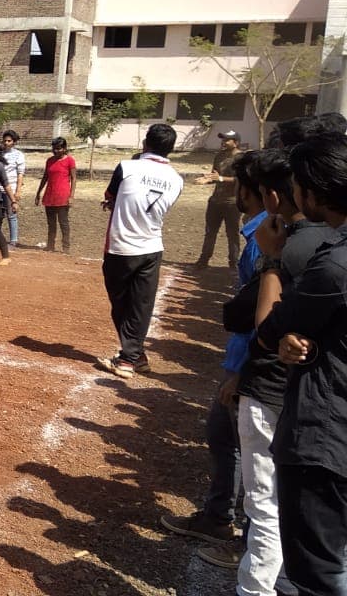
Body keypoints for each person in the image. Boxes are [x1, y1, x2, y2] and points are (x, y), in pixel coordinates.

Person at [164, 151, 268, 571]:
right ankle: (220, 517)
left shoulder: (267, 238)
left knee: (250, 448)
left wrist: (243, 371)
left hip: (252, 360)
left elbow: (270, 311)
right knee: (225, 434)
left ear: (252, 191)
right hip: (244, 355)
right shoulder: (259, 232)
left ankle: (246, 536)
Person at [253, 132, 347, 595]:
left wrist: (272, 262)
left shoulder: (333, 265)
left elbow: (269, 328)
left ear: (313, 190)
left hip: (326, 431)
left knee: (318, 574)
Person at [97, 123, 184, 378]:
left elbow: (111, 195)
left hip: (120, 246)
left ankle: (127, 359)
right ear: (172, 149)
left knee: (121, 304)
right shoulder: (178, 179)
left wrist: (115, 203)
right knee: (142, 304)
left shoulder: (127, 167)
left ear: (145, 144)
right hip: (152, 246)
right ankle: (136, 355)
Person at [193, 130, 244, 269]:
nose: (223, 142)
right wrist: (206, 179)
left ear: (236, 142)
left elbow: (241, 179)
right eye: (223, 139)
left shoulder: (241, 158)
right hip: (216, 201)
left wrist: (220, 178)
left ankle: (233, 263)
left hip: (232, 202)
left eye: (227, 140)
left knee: (232, 233)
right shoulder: (219, 156)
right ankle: (204, 260)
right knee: (210, 231)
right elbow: (215, 176)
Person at [35, 137, 77, 253]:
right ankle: (50, 245)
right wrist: (38, 193)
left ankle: (66, 247)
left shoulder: (70, 161)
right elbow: (45, 177)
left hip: (63, 195)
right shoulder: (49, 161)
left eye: (59, 148)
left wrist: (71, 196)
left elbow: (73, 179)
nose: (56, 151)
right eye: (54, 148)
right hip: (50, 195)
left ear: (64, 148)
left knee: (63, 222)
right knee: (51, 223)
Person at [2, 130, 26, 247]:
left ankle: (13, 240)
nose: (6, 143)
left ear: (14, 142)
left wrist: (18, 191)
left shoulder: (19, 155)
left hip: (10, 188)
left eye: (9, 141)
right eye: (5, 140)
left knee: (11, 214)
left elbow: (20, 173)